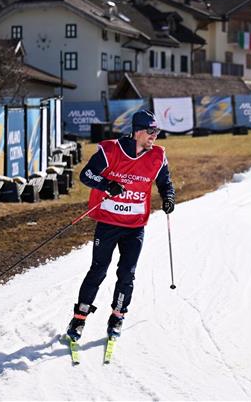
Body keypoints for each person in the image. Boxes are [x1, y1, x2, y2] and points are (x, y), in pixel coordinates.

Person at [66, 110, 175, 341]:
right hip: (108, 223)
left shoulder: (158, 156)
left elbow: (166, 183)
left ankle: (117, 317)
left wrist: (168, 198)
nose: (154, 136)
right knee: (98, 270)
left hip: (135, 226)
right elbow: (86, 175)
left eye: (157, 131)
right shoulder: (111, 150)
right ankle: (79, 318)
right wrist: (108, 185)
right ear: (137, 131)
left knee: (127, 274)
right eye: (150, 131)